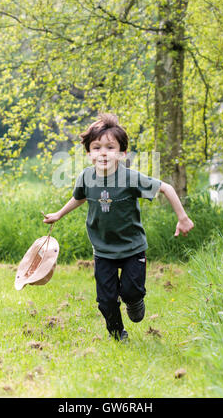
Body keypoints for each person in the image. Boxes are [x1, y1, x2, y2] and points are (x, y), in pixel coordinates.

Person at [43, 113, 194, 341]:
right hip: (103, 250)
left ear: (122, 153)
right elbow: (80, 197)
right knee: (106, 300)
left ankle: (134, 301)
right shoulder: (86, 177)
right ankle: (117, 334)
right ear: (88, 153)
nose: (103, 153)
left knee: (130, 291)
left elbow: (167, 188)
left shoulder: (130, 178)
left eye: (110, 147)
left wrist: (182, 218)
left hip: (132, 248)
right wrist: (58, 214)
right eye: (96, 147)